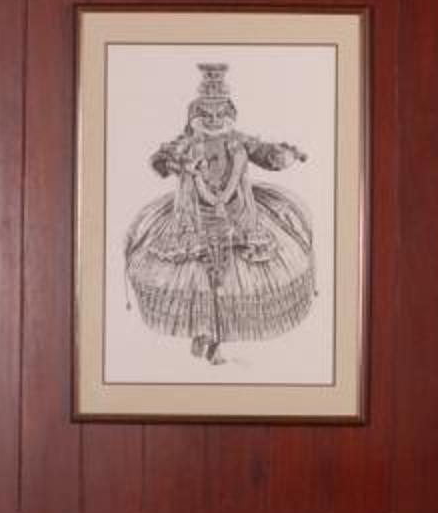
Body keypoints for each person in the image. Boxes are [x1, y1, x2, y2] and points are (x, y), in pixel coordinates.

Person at [122, 64, 313, 365]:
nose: (213, 120)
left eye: (219, 114)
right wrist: (176, 165)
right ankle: (204, 333)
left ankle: (217, 337)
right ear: (195, 115)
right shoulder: (187, 142)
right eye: (207, 115)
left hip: (237, 215)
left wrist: (286, 154)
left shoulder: (239, 141)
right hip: (193, 216)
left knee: (231, 276)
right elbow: (158, 161)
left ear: (229, 114)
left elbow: (266, 154)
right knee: (199, 276)